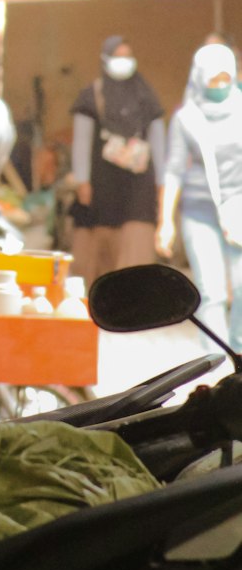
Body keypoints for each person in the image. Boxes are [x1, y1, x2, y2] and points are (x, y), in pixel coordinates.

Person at [158, 41, 242, 351]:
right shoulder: (187, 118)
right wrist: (165, 221)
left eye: (225, 78)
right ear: (199, 78)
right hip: (198, 211)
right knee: (212, 291)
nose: (220, 85)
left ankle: (239, 350)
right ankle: (218, 359)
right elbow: (174, 169)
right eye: (213, 79)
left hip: (238, 208)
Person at [69, 34, 165, 289]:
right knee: (101, 246)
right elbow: (81, 141)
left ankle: (134, 298)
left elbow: (158, 141)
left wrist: (161, 182)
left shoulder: (146, 96)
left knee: (136, 241)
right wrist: (82, 181)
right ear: (105, 59)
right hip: (102, 185)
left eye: (127, 56)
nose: (123, 62)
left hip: (138, 186)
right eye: (117, 56)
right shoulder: (92, 95)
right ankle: (104, 296)